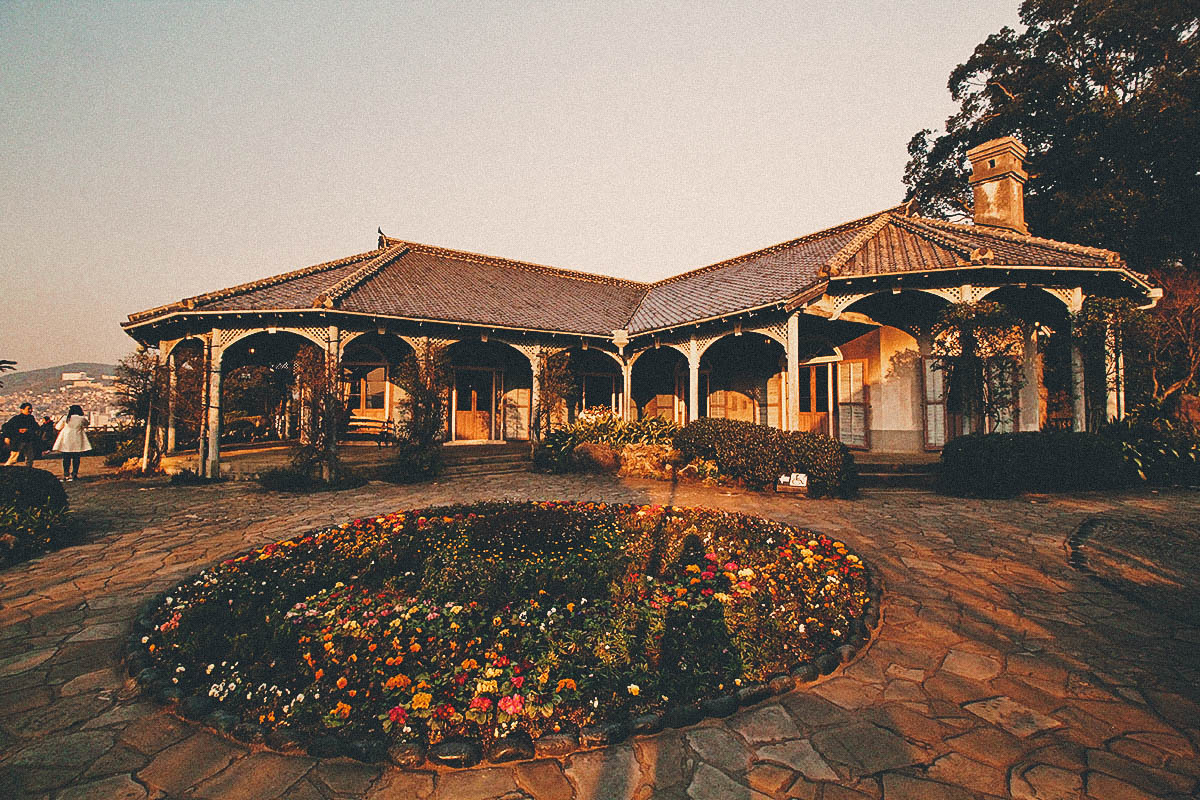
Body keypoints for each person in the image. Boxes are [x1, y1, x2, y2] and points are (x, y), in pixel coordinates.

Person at [53, 405, 92, 481]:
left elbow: (58, 427)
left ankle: (66, 474)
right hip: (77, 439)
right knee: (76, 458)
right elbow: (87, 424)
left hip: (66, 440)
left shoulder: (66, 418)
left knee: (66, 459)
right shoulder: (81, 418)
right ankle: (74, 474)